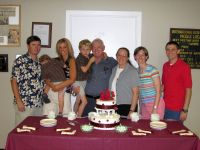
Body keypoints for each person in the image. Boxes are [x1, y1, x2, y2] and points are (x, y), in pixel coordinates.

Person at [11, 35, 43, 125]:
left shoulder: (39, 63)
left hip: (38, 104)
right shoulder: (20, 61)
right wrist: (18, 101)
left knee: (35, 132)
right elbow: (13, 81)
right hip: (25, 104)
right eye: (33, 45)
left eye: (38, 45)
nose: (37, 47)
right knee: (22, 130)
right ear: (28, 46)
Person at [83, 38, 117, 116]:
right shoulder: (86, 59)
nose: (96, 49)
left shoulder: (110, 61)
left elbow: (122, 66)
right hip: (86, 100)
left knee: (102, 124)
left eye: (99, 47)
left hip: (103, 101)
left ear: (103, 48)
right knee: (84, 124)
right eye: (94, 47)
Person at [162, 41, 192, 121]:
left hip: (177, 109)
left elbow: (188, 90)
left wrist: (185, 110)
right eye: (168, 49)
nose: (170, 52)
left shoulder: (184, 67)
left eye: (173, 49)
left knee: (175, 132)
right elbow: (163, 86)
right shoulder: (165, 66)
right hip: (164, 106)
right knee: (165, 132)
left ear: (178, 51)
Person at [46, 38, 76, 116]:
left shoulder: (72, 61)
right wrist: (53, 86)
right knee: (49, 117)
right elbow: (46, 77)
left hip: (64, 91)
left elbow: (72, 79)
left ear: (68, 48)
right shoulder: (54, 60)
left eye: (64, 47)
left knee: (64, 118)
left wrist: (58, 87)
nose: (62, 49)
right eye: (60, 47)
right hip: (52, 91)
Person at [134, 46, 165, 120]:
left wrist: (155, 108)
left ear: (146, 57)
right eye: (138, 54)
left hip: (156, 104)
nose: (140, 57)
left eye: (143, 55)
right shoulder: (136, 71)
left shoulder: (152, 70)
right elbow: (140, 91)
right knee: (146, 128)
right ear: (135, 57)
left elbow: (158, 91)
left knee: (156, 128)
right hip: (144, 105)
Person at [109, 47, 139, 117]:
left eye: (124, 56)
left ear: (127, 58)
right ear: (116, 56)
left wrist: (131, 111)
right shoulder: (114, 69)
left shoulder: (132, 71)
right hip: (113, 106)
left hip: (127, 107)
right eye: (119, 55)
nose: (121, 57)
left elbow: (136, 93)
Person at [72, 39, 95, 117]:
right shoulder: (80, 58)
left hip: (83, 81)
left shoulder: (89, 56)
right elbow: (84, 70)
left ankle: (73, 115)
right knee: (84, 102)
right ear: (80, 49)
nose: (85, 51)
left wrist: (104, 54)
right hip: (78, 81)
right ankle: (78, 118)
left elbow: (99, 55)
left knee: (78, 100)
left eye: (87, 49)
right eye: (83, 49)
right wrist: (90, 62)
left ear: (90, 50)